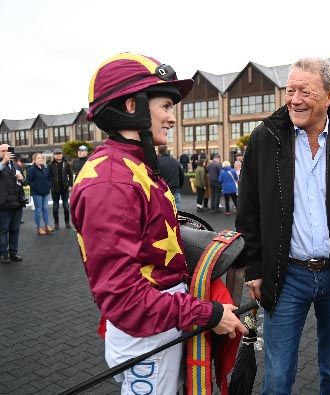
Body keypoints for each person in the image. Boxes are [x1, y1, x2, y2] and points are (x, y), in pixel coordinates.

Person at [70, 53, 246, 394]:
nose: (171, 117)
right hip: (147, 334)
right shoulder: (111, 180)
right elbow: (124, 300)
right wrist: (208, 314)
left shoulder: (131, 166)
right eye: (165, 106)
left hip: (162, 324)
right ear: (132, 106)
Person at [236, 57, 330, 394]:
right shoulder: (265, 139)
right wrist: (254, 269)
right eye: (290, 90)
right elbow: (248, 211)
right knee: (277, 377)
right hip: (286, 275)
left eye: (305, 91)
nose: (294, 100)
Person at [0, 144, 24, 264]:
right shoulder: (2, 165)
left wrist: (22, 178)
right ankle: (3, 254)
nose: (5, 153)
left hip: (17, 203)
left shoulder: (15, 165)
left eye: (8, 150)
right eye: (3, 150)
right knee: (3, 231)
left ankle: (13, 253)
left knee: (15, 230)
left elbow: (23, 182)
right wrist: (3, 162)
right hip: (3, 204)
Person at [26, 153, 54, 235]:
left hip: (45, 192)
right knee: (38, 210)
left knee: (45, 209)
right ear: (34, 160)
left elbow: (50, 179)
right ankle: (39, 228)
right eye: (38, 158)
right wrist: (37, 188)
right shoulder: (32, 169)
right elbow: (28, 181)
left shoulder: (45, 168)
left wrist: (49, 186)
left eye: (42, 158)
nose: (41, 159)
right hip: (37, 193)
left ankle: (47, 226)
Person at [48, 148, 73, 229]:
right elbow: (48, 176)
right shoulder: (50, 165)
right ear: (54, 155)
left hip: (65, 188)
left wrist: (70, 185)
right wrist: (50, 185)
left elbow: (71, 175)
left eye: (60, 153)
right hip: (55, 189)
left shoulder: (66, 164)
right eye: (57, 154)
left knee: (66, 206)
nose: (59, 155)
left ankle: (67, 222)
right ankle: (56, 223)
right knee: (55, 207)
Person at [157, 145, 184, 211]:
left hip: (162, 192)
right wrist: (178, 187)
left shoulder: (157, 162)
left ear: (158, 151)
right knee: (177, 214)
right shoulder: (175, 161)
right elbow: (181, 176)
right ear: (167, 150)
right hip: (175, 191)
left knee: (164, 215)